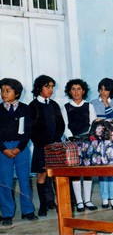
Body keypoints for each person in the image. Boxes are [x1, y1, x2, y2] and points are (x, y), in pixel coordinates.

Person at [0, 78, 39, 228]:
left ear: (16, 93)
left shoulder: (25, 109)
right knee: (5, 182)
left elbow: (27, 131)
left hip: (21, 148)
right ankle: (7, 213)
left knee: (24, 180)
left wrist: (19, 148)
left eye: (7, 91)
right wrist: (3, 149)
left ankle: (28, 211)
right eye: (2, 91)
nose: (4, 93)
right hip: (3, 149)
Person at [29, 75, 65, 216]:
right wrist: (42, 142)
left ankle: (56, 202)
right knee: (42, 175)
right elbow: (31, 129)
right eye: (47, 86)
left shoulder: (54, 105)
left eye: (52, 87)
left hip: (54, 146)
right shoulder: (33, 106)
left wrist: (56, 140)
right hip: (41, 147)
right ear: (39, 88)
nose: (50, 90)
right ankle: (43, 205)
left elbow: (60, 125)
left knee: (56, 175)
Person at [61, 79, 98, 212]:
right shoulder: (66, 107)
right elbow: (64, 125)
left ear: (83, 91)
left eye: (79, 89)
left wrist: (87, 138)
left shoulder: (89, 106)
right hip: (72, 143)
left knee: (87, 171)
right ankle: (79, 201)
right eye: (73, 89)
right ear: (69, 91)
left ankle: (87, 200)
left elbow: (93, 124)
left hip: (87, 142)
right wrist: (72, 138)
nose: (76, 92)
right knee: (76, 172)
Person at [91, 78, 113, 210]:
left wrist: (106, 104)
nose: (103, 92)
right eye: (101, 89)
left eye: (106, 90)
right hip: (99, 140)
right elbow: (93, 122)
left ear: (111, 91)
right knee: (102, 169)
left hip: (112, 140)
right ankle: (104, 198)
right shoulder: (92, 103)